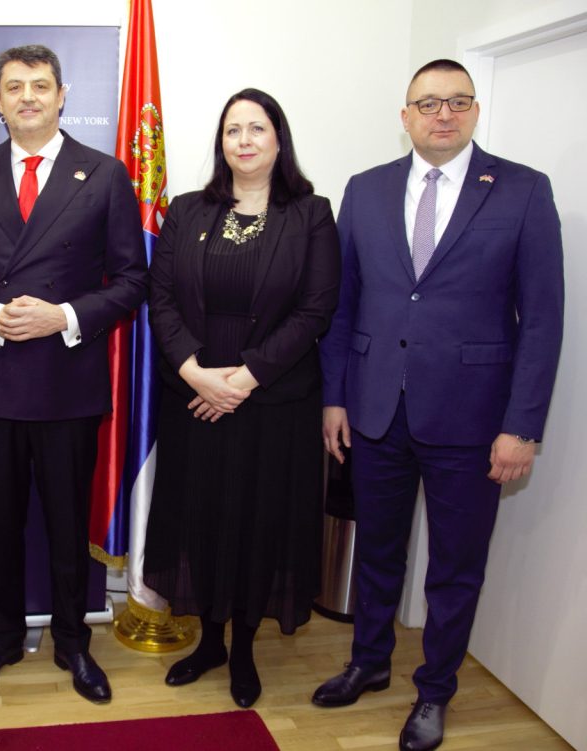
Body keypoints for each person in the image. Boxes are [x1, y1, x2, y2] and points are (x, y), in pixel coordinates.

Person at [313, 59, 563, 751]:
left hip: (473, 419)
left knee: (454, 567)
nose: (442, 114)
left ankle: (434, 691)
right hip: (375, 411)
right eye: (427, 103)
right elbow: (343, 305)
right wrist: (335, 398)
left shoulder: (522, 191)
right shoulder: (365, 189)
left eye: (457, 101)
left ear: (475, 111)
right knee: (377, 552)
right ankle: (368, 662)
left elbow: (542, 320)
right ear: (406, 117)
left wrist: (522, 426)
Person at [0, 44, 147, 704]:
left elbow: (133, 280)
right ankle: (2, 638)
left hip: (68, 382)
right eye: (14, 86)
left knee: (66, 525)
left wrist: (62, 315)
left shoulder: (105, 174)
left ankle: (72, 642)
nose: (27, 97)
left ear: (62, 96)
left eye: (39, 85)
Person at [143, 88, 341, 708]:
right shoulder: (186, 210)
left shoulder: (311, 214)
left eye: (258, 128)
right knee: (200, 516)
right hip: (195, 398)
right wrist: (195, 372)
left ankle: (246, 647)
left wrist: (243, 380)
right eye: (233, 129)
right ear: (221, 142)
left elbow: (315, 311)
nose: (245, 140)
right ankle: (209, 642)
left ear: (279, 140)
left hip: (272, 402)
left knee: (258, 522)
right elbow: (160, 300)